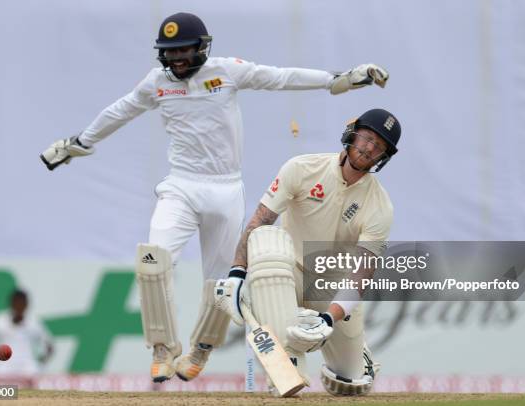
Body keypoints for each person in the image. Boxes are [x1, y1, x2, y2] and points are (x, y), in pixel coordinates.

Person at [40, 12, 390, 383]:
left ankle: (202, 348)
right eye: (170, 52)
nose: (177, 59)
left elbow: (280, 77)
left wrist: (340, 80)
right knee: (153, 261)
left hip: (225, 190)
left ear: (202, 48)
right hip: (181, 185)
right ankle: (162, 347)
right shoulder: (157, 83)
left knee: (221, 283)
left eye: (184, 51)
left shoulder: (226, 71)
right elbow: (120, 110)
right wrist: (79, 144)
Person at [214, 108, 401, 396]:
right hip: (287, 272)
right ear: (353, 133)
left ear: (383, 158)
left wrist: (330, 318)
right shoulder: (301, 168)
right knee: (266, 241)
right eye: (366, 137)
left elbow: (361, 275)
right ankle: (285, 368)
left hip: (332, 286)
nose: (368, 148)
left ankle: (356, 360)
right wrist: (237, 273)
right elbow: (259, 221)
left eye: (379, 146)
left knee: (350, 385)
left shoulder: (381, 206)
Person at [0, 289, 54, 375]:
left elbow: (49, 346)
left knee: (35, 372)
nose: (19, 306)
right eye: (17, 302)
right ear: (11, 303)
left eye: (22, 303)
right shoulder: (0, 322)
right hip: (5, 364)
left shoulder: (34, 323)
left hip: (27, 365)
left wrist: (40, 364)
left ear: (27, 304)